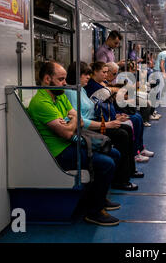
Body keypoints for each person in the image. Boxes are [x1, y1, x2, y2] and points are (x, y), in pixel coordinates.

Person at [27, 61, 121, 226]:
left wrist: (71, 120)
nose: (65, 83)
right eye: (61, 79)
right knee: (106, 163)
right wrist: (73, 121)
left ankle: (98, 198)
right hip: (58, 152)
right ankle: (94, 212)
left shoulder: (60, 94)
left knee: (114, 153)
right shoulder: (41, 103)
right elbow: (68, 132)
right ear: (47, 79)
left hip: (70, 143)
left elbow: (79, 120)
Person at [65, 62, 141, 190]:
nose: (88, 77)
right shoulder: (71, 92)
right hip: (86, 128)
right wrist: (106, 124)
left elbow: (93, 110)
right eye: (84, 74)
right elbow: (79, 119)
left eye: (88, 74)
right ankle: (120, 180)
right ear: (76, 75)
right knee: (121, 134)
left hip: (94, 122)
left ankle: (128, 171)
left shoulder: (81, 89)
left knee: (126, 128)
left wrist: (113, 117)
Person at [85, 62, 154, 162]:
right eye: (104, 72)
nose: (105, 75)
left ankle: (140, 148)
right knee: (134, 119)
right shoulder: (93, 85)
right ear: (95, 72)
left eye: (106, 72)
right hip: (105, 115)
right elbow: (104, 99)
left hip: (111, 111)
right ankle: (134, 153)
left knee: (138, 117)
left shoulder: (103, 83)